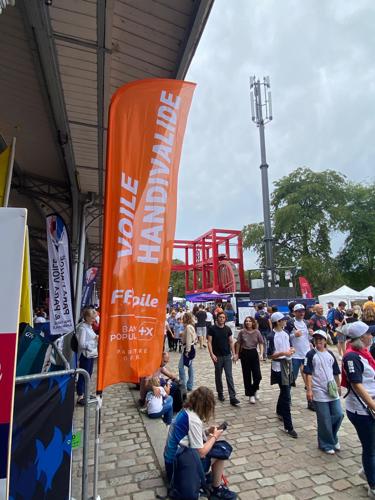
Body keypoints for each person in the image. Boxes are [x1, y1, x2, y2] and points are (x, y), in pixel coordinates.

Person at [164, 386, 236, 499]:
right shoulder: (194, 420)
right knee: (220, 451)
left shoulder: (186, 411)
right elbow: (201, 452)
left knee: (213, 447)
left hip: (172, 461)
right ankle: (217, 490)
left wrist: (207, 432)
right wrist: (214, 437)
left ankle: (209, 479)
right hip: (176, 469)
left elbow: (188, 437)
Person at [342, 321, 375, 498]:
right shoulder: (352, 357)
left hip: (368, 406)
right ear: (362, 337)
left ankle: (368, 471)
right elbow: (357, 384)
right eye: (369, 333)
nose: (372, 335)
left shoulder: (364, 353)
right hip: (362, 410)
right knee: (370, 448)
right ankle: (373, 484)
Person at [303, 330, 343, 454]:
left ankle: (332, 437)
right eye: (316, 339)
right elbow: (308, 373)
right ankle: (325, 443)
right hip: (318, 390)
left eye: (321, 339)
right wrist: (309, 390)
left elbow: (336, 371)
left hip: (331, 389)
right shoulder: (310, 355)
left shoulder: (330, 354)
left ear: (325, 340)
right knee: (324, 418)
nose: (319, 341)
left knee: (338, 414)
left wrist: (338, 385)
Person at [269, 311, 298, 438]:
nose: (285, 321)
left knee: (286, 390)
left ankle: (279, 411)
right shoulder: (272, 335)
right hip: (279, 367)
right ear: (278, 322)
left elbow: (289, 346)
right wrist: (284, 354)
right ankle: (288, 426)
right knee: (286, 394)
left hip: (288, 364)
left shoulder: (285, 333)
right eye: (283, 320)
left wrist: (291, 350)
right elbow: (270, 355)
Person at [207, 312, 240, 406]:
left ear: (225, 319)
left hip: (227, 356)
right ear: (217, 318)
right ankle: (220, 393)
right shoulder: (212, 329)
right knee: (218, 375)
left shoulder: (227, 329)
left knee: (229, 375)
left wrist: (234, 354)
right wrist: (212, 354)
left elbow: (231, 342)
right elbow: (209, 342)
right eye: (220, 317)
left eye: (223, 317)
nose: (222, 319)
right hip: (217, 356)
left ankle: (232, 397)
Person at [285, 304, 314, 410]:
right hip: (295, 355)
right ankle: (287, 399)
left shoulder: (306, 322)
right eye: (299, 311)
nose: (302, 313)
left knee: (309, 378)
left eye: (303, 311)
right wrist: (293, 335)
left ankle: (310, 401)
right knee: (292, 378)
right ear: (294, 312)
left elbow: (308, 338)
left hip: (306, 353)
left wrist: (311, 334)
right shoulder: (290, 322)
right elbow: (284, 336)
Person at [234, 316, 264, 403]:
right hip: (245, 353)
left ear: (253, 322)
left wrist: (261, 354)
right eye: (246, 321)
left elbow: (261, 343)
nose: (248, 323)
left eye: (249, 321)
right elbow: (238, 343)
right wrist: (236, 354)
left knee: (257, 375)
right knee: (247, 375)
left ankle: (255, 389)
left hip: (254, 353)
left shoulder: (257, 332)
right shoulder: (242, 332)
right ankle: (250, 394)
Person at [76, 308, 98, 405]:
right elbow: (81, 344)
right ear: (87, 317)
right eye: (92, 318)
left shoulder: (89, 326)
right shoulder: (82, 328)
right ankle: (80, 395)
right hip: (85, 355)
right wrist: (94, 342)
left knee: (88, 374)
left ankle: (86, 394)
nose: (94, 320)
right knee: (83, 375)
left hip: (90, 354)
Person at [179, 312, 197, 392]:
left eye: (183, 318)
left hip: (188, 348)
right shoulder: (190, 326)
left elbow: (189, 339)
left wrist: (187, 351)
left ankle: (184, 385)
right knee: (190, 367)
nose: (182, 319)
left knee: (181, 367)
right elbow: (194, 337)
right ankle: (189, 385)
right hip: (189, 348)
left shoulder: (189, 327)